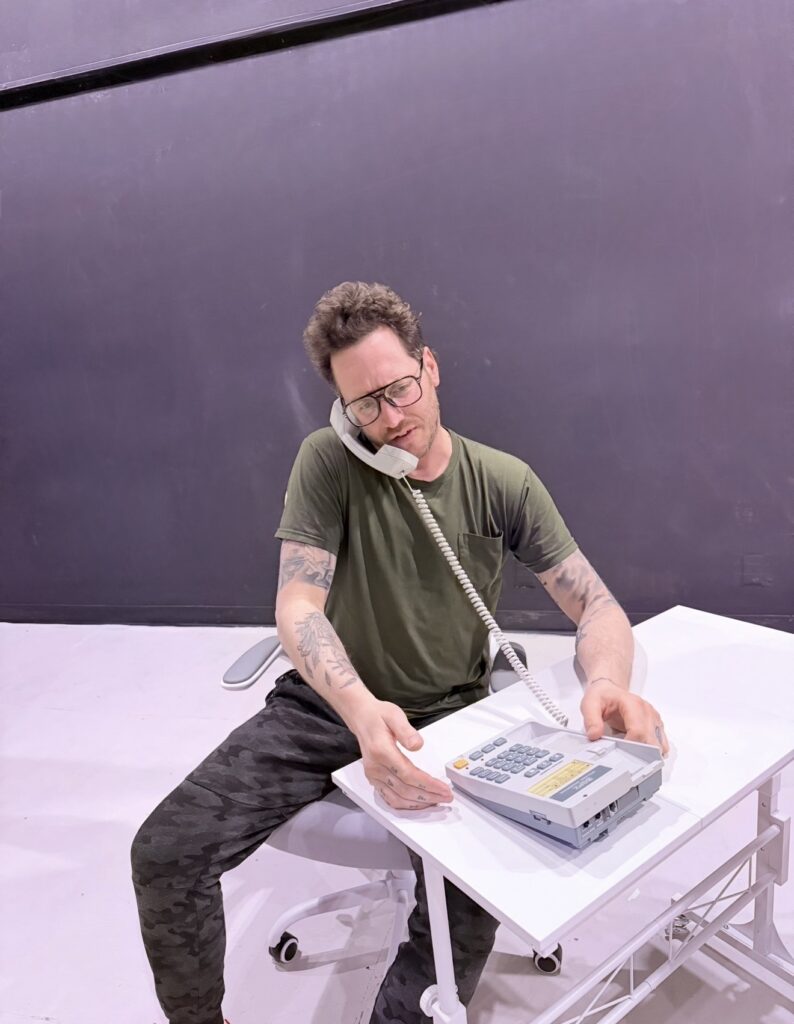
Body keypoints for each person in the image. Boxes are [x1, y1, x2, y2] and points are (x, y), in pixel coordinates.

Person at [131, 281, 668, 1024]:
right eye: (366, 406)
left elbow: (597, 604)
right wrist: (356, 707)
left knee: (476, 899)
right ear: (342, 411)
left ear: (431, 367)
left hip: (450, 716)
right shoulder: (327, 463)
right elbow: (297, 602)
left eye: (401, 389)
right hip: (327, 708)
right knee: (164, 852)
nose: (391, 418)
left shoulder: (501, 481)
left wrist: (607, 680)